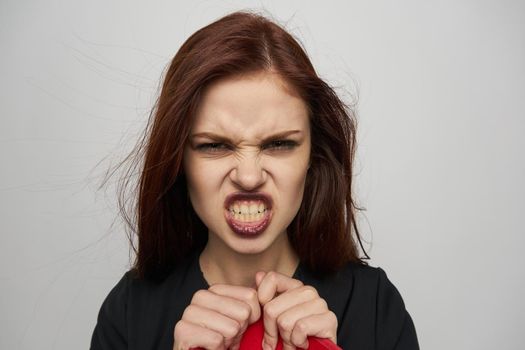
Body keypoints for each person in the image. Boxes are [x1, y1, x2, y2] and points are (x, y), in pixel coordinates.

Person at [90, 11, 419, 350]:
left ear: (313, 157)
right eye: (214, 145)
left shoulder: (376, 306)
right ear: (179, 160)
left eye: (279, 144)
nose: (249, 177)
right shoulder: (128, 313)